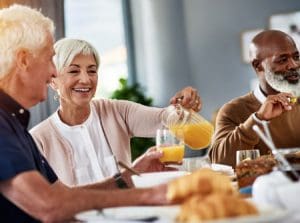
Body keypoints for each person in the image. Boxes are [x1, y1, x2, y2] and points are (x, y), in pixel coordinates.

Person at [0, 5, 170, 222]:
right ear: (23, 60)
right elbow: (49, 206)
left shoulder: (14, 125)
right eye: (49, 59)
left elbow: (63, 196)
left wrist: (127, 177)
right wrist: (148, 195)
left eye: (92, 70)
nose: (53, 71)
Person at [30, 38, 202, 187]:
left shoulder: (116, 111)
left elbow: (164, 118)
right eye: (74, 71)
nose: (86, 79)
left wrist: (181, 106)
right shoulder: (38, 140)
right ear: (53, 81)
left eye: (92, 70)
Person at [209, 30, 300, 167]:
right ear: (258, 66)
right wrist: (258, 119)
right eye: (283, 59)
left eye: (296, 57)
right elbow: (220, 162)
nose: (294, 65)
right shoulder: (233, 111)